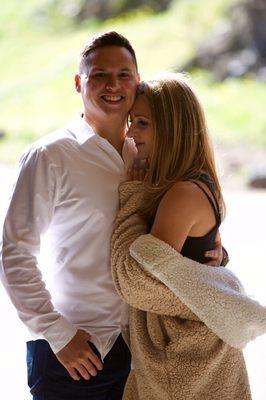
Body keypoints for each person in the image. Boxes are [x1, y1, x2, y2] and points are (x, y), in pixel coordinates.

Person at [0, 33, 223, 400]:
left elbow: (177, 228)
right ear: (78, 83)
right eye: (100, 74)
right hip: (75, 351)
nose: (113, 85)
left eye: (124, 74)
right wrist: (57, 333)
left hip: (145, 353)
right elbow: (14, 253)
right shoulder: (49, 156)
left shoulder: (151, 153)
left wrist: (211, 252)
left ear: (137, 82)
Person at [110, 74, 253, 399]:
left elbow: (135, 280)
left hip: (189, 362)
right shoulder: (191, 183)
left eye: (142, 123)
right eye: (132, 121)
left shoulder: (183, 194)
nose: (131, 132)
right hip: (203, 355)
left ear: (172, 129)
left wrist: (131, 197)